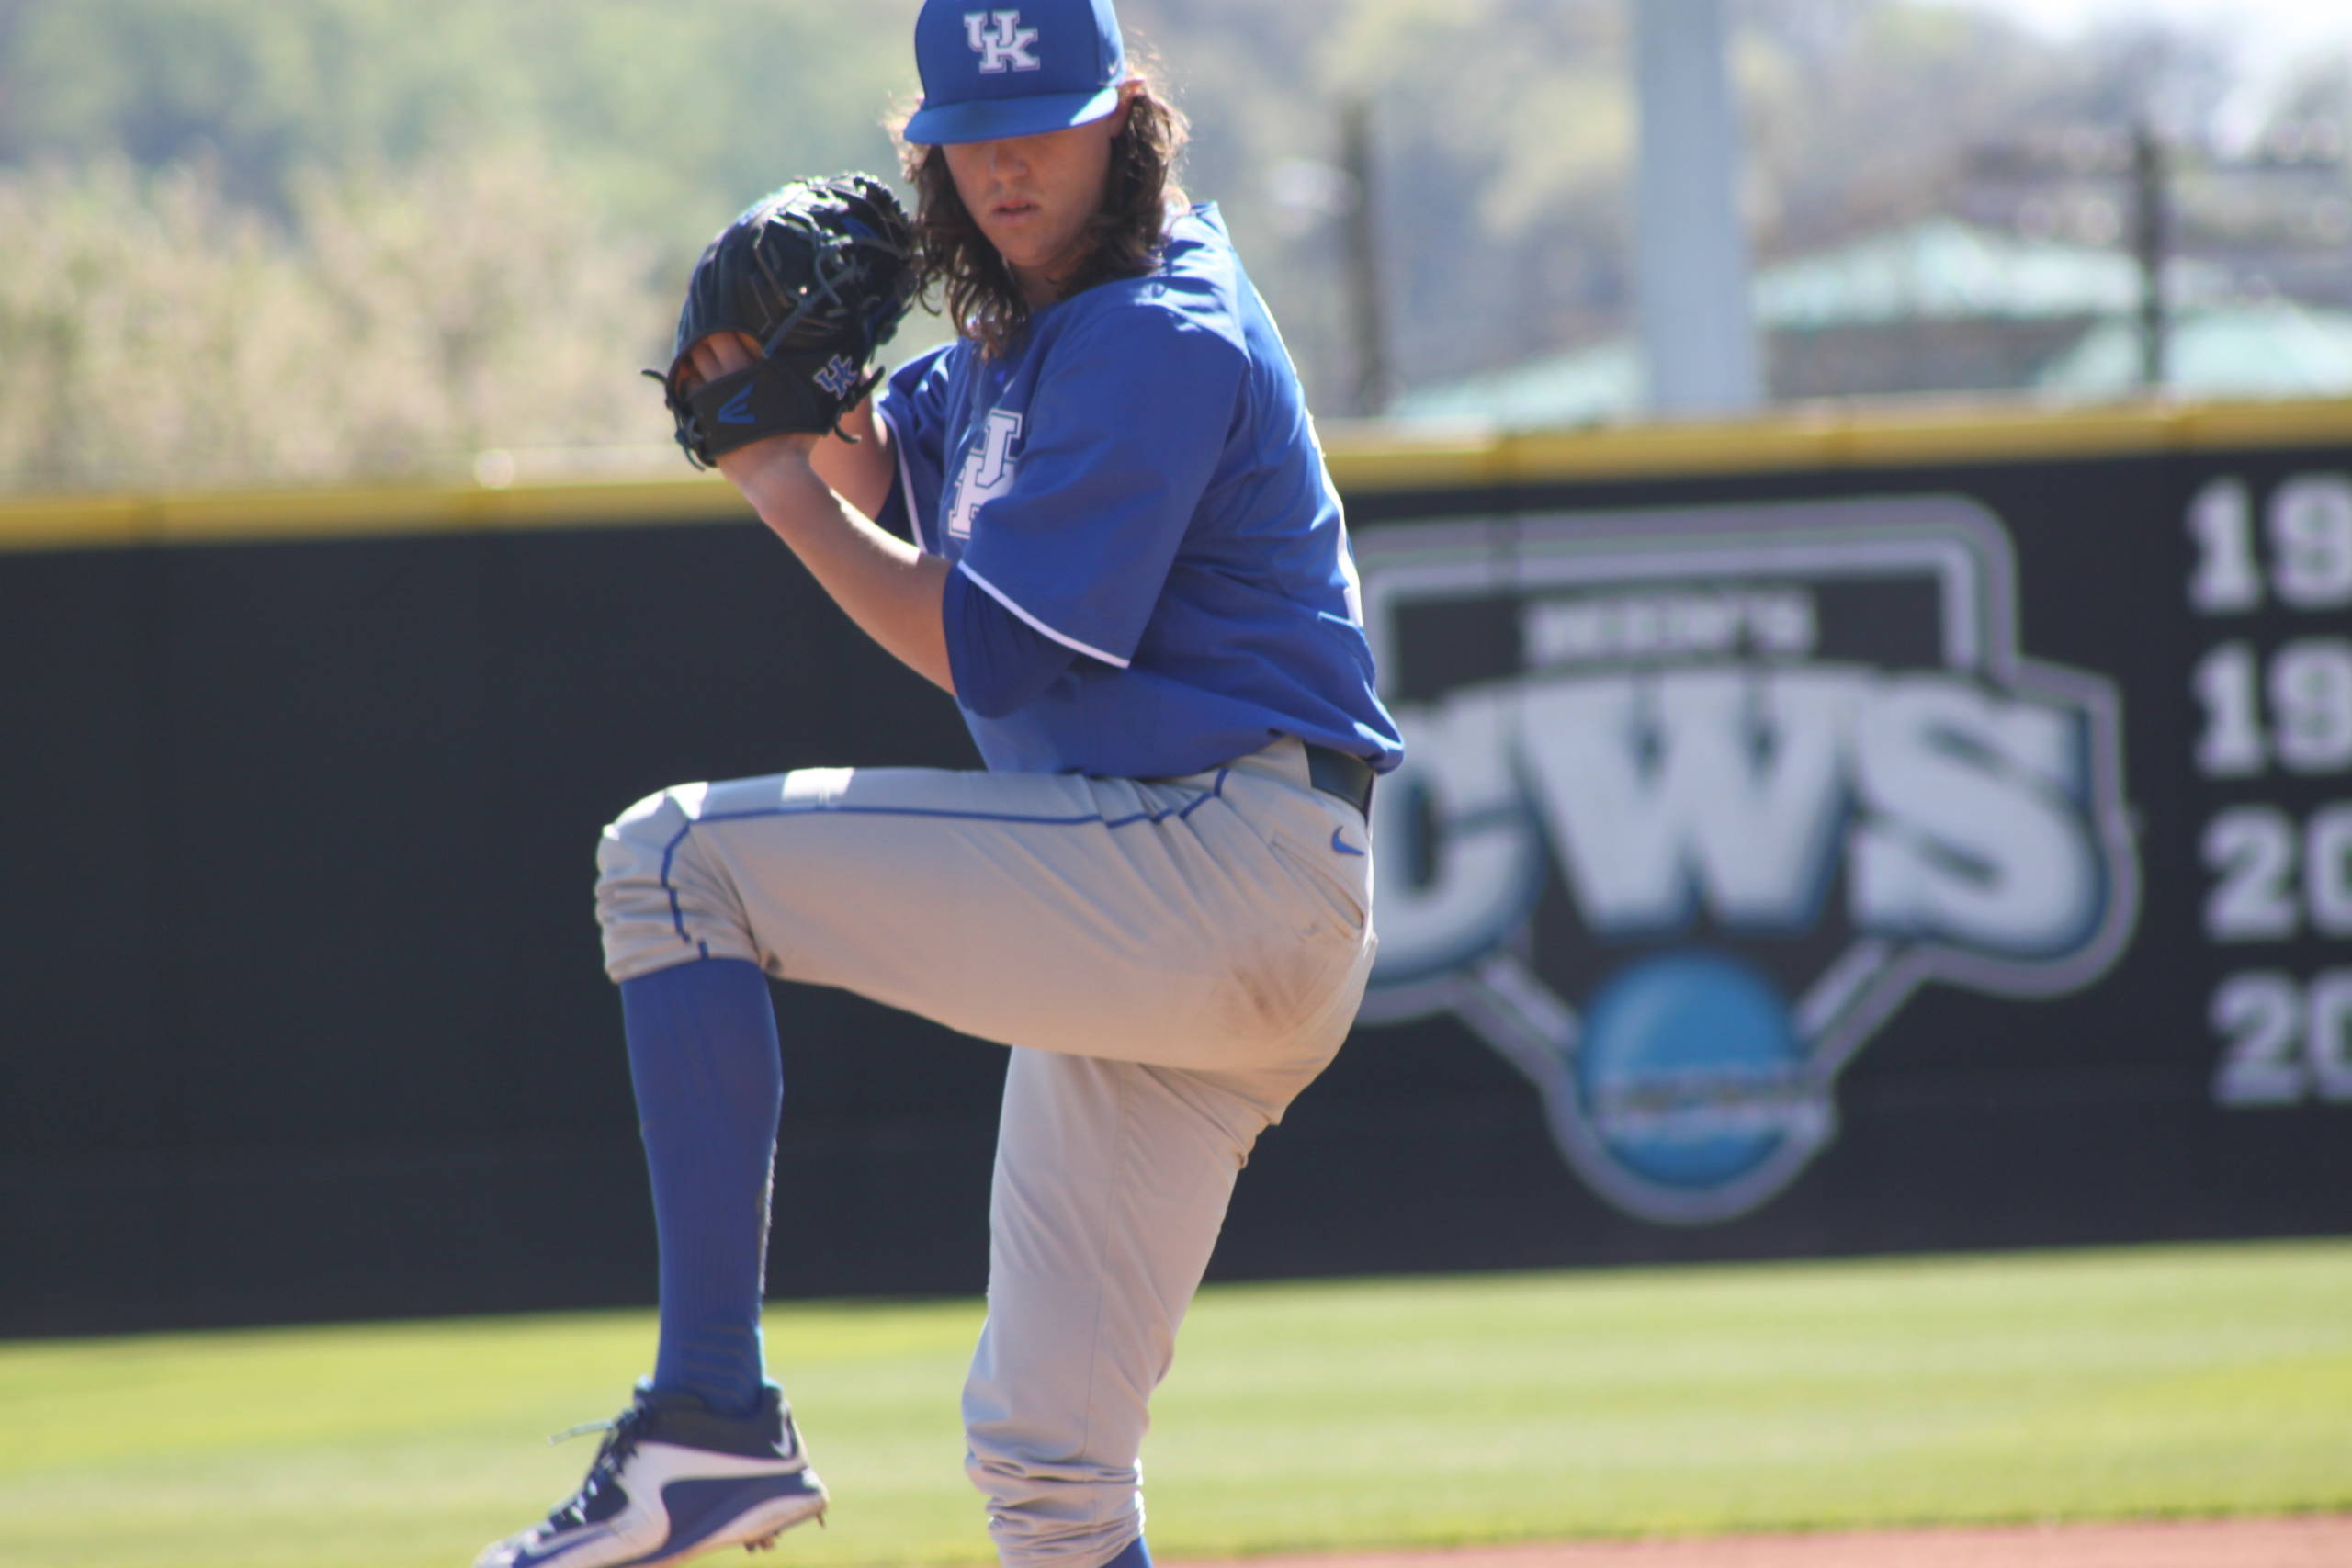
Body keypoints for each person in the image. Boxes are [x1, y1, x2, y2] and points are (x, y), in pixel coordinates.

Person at [476, 0, 1401, 1564]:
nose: (1010, 164)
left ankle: (709, 1414)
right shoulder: (1023, 343)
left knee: (674, 866)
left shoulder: (1162, 329)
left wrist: (768, 475)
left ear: (1125, 117)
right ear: (931, 151)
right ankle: (720, 1430)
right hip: (1192, 920)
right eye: (973, 137)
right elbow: (878, 453)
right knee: (1050, 1473)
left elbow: (985, 652)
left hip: (1223, 861)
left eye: (1043, 119)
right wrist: (783, 396)